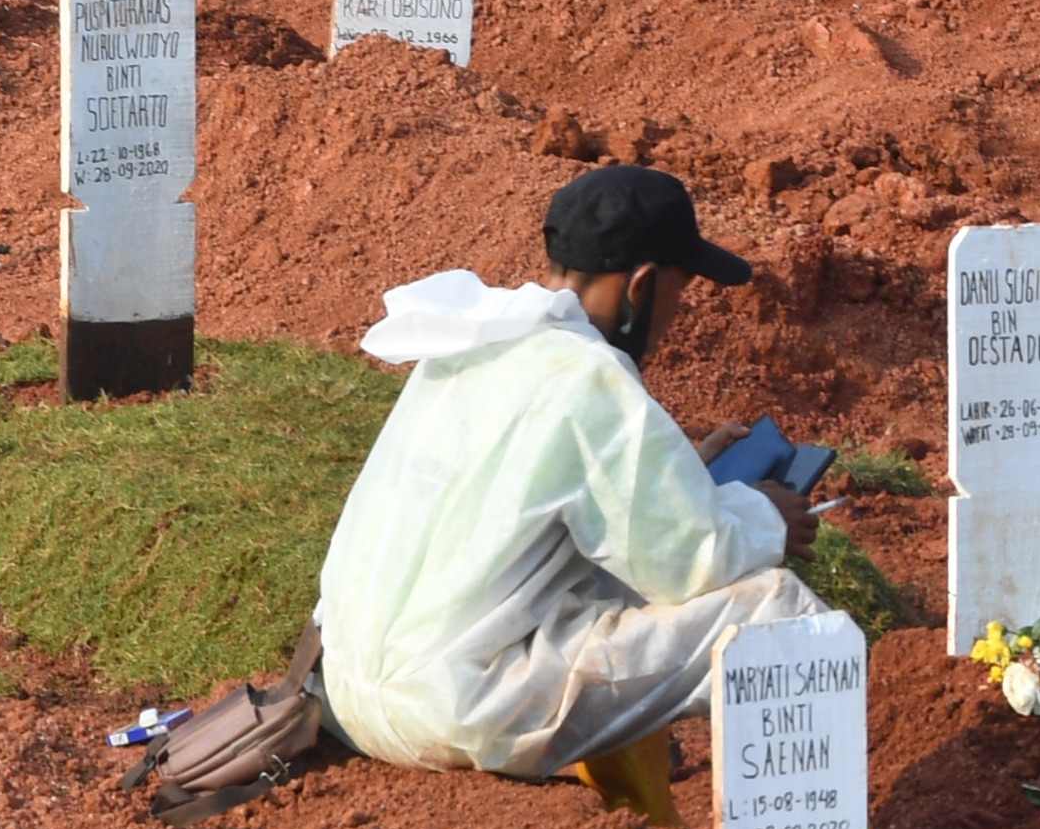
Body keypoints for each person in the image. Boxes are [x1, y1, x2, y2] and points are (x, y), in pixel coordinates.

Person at [316, 165, 826, 782]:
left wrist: (679, 474)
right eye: (679, 291)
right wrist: (769, 515)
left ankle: (637, 803)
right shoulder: (590, 375)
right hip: (457, 707)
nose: (677, 315)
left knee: (605, 579)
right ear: (641, 285)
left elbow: (535, 498)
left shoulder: (475, 343)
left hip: (348, 693)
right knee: (781, 614)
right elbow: (694, 566)